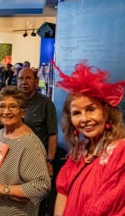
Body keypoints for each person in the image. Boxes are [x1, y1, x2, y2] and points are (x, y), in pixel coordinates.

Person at [53, 62, 125, 216]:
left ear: (106, 112)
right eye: (77, 113)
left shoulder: (121, 153)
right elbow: (63, 191)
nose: (84, 119)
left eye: (91, 109)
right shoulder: (79, 151)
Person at [0, 86, 51, 215]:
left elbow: (41, 186)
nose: (6, 111)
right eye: (2, 106)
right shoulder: (0, 133)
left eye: (13, 106)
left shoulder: (29, 144)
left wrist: (4, 189)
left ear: (24, 112)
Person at [17, 68, 58, 215]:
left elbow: (52, 134)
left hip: (38, 162)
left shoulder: (45, 103)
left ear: (36, 81)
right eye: (21, 79)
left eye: (28, 78)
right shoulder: (13, 102)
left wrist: (49, 162)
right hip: (15, 161)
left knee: (35, 202)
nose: (24, 82)